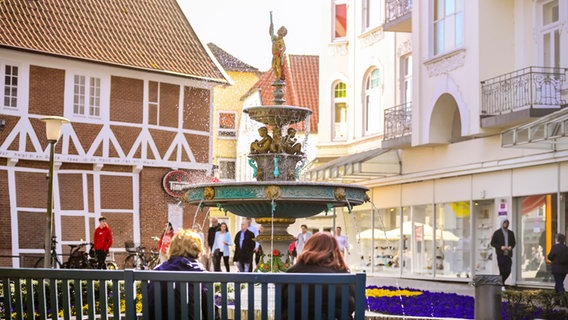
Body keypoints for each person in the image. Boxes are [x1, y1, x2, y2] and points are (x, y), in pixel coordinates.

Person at [282, 232, 355, 319]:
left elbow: (282, 305)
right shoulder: (343, 275)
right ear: (335, 250)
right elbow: (351, 306)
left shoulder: (292, 272)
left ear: (308, 247)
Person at [148, 229, 213, 319]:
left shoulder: (158, 271)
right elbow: (211, 312)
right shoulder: (202, 275)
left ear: (172, 248)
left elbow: (150, 308)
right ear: (198, 250)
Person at [490, 218, 516, 285]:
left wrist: (511, 247)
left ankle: (501, 282)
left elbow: (514, 242)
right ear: (502, 223)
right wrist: (500, 247)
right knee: (502, 270)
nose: (506, 224)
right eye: (505, 223)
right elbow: (492, 243)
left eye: (507, 223)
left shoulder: (511, 233)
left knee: (508, 270)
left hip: (508, 254)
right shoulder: (497, 233)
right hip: (500, 254)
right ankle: (502, 284)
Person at [269, 11, 287, 81]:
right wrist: (271, 26)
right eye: (280, 32)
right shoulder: (275, 38)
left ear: (283, 35)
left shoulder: (281, 41)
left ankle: (279, 77)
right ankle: (277, 76)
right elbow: (271, 33)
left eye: (282, 34)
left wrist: (281, 52)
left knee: (278, 66)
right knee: (273, 67)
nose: (280, 34)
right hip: (274, 55)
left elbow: (284, 48)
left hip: (278, 56)